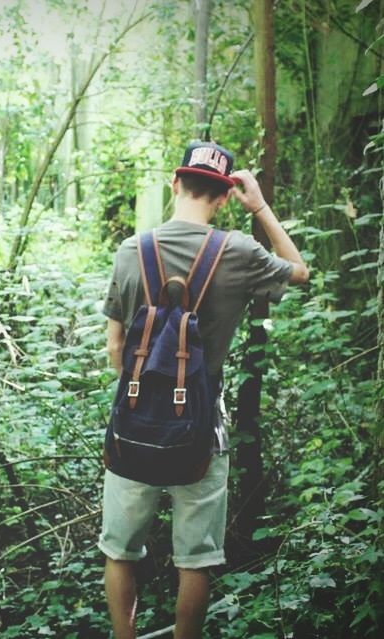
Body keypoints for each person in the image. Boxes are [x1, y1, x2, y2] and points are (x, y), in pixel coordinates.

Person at [99, 141, 309, 639]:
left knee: (119, 549)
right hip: (201, 430)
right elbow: (300, 272)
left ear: (175, 185)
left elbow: (114, 349)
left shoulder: (132, 251)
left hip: (133, 423)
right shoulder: (236, 251)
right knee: (195, 559)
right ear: (222, 196)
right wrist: (258, 206)